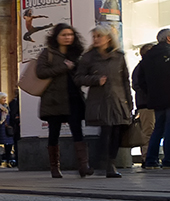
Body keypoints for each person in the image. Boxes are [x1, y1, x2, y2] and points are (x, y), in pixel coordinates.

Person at [76, 23, 134, 178]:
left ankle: (111, 163)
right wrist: (95, 80)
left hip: (118, 100)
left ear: (108, 38)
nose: (96, 39)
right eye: (94, 36)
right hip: (100, 101)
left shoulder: (119, 56)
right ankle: (105, 164)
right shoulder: (88, 57)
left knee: (116, 133)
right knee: (106, 131)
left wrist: (129, 102)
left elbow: (125, 81)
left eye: (99, 36)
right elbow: (78, 78)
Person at [35, 24, 91, 178]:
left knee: (78, 131)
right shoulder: (48, 53)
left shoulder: (77, 53)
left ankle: (83, 166)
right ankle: (54, 167)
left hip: (73, 98)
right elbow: (40, 72)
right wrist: (63, 67)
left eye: (70, 34)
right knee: (54, 132)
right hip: (54, 99)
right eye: (64, 35)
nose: (68, 37)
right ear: (56, 37)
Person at [138, 28, 170, 169]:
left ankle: (151, 159)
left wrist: (150, 92)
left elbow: (140, 79)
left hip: (157, 98)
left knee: (158, 128)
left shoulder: (148, 56)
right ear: (168, 38)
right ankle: (168, 159)